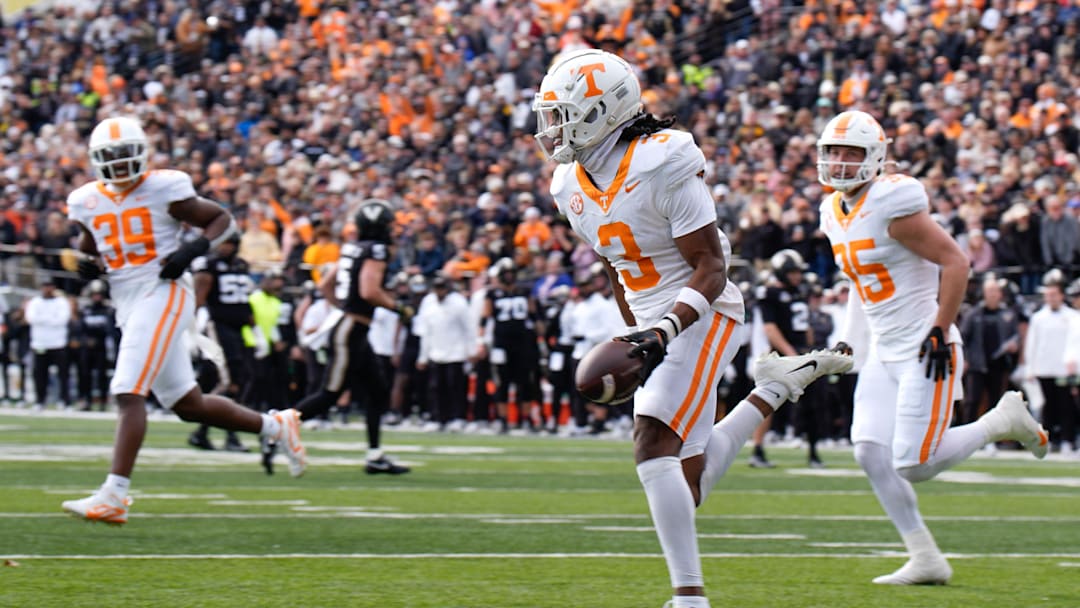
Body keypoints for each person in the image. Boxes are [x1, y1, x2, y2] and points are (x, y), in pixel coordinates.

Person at [534, 49, 853, 608]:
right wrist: (637, 334)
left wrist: (662, 333)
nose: (552, 129)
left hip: (704, 310)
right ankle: (777, 386)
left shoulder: (663, 159)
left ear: (601, 110)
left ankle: (689, 598)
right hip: (652, 317)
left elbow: (711, 266)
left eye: (562, 114)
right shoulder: (570, 184)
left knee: (651, 438)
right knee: (687, 482)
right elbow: (616, 267)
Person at [816, 110, 1049, 584]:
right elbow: (862, 287)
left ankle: (1001, 421)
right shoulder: (830, 211)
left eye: (851, 153)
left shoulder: (892, 202)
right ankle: (925, 557)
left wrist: (941, 328)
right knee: (867, 450)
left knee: (914, 464)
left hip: (926, 345)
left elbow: (957, 262)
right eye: (834, 152)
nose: (840, 163)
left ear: (875, 158)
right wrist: (847, 341)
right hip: (884, 348)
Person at [61, 116, 305, 524]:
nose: (120, 166)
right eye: (111, 158)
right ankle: (276, 426)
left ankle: (114, 494)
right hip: (128, 298)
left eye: (126, 156)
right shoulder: (84, 200)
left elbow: (221, 219)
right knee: (187, 404)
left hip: (164, 290)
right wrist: (89, 265)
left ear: (140, 154)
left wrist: (192, 249)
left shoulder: (164, 187)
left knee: (127, 390)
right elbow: (93, 244)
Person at [290, 198, 411, 475]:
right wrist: (399, 308)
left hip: (352, 328)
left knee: (378, 391)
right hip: (350, 331)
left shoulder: (352, 248)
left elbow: (325, 284)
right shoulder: (377, 250)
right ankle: (273, 429)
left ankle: (375, 455)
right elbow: (370, 291)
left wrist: (343, 306)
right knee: (329, 395)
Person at [187, 233, 256, 452]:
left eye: (229, 243)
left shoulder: (241, 265)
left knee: (235, 382)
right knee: (228, 383)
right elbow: (198, 297)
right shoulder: (208, 265)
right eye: (222, 243)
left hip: (238, 331)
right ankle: (230, 436)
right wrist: (189, 329)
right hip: (217, 327)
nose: (225, 247)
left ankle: (202, 433)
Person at [481, 258, 542, 433]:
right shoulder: (492, 294)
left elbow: (534, 315)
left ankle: (527, 419)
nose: (509, 276)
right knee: (502, 382)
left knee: (525, 382)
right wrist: (481, 341)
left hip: (522, 342)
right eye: (505, 273)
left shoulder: (524, 292)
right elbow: (485, 317)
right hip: (501, 343)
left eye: (511, 273)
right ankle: (503, 420)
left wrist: (540, 331)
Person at [24, 277, 72, 410]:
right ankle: (40, 401)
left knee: (63, 374)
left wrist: (43, 320)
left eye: (49, 286)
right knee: (39, 374)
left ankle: (65, 401)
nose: (47, 289)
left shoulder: (61, 302)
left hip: (58, 343)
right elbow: (31, 318)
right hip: (40, 344)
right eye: (45, 286)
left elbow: (62, 320)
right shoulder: (35, 302)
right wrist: (51, 320)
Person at [75, 279, 117, 412]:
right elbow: (80, 329)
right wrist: (85, 340)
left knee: (101, 375)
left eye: (99, 294)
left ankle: (103, 401)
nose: (97, 297)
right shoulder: (86, 310)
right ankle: (85, 400)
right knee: (84, 374)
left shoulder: (108, 311)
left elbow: (110, 330)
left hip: (101, 347)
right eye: (94, 294)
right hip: (87, 347)